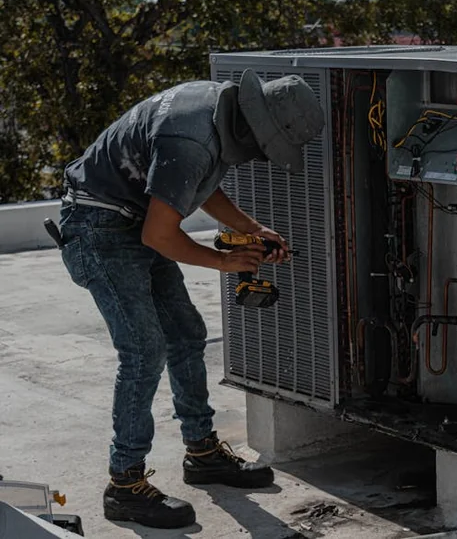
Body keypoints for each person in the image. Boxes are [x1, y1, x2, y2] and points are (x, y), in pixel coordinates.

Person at [57, 69, 325, 529]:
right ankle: (124, 485)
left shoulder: (214, 106)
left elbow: (195, 183)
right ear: (254, 128)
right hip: (97, 229)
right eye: (265, 148)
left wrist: (251, 229)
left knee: (186, 334)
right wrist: (225, 262)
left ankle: (202, 454)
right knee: (144, 349)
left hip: (128, 218)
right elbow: (160, 234)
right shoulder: (192, 138)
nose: (260, 158)